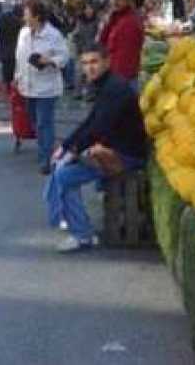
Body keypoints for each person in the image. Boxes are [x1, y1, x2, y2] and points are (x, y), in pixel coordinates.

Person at [45, 46, 149, 252]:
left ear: (107, 62)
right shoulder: (107, 86)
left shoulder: (115, 89)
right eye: (85, 63)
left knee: (65, 175)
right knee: (60, 168)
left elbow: (99, 126)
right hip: (114, 148)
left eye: (94, 62)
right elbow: (91, 122)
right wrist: (66, 146)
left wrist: (73, 150)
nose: (89, 68)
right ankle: (69, 220)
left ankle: (81, 233)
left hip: (125, 155)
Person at [15, 0, 69, 175]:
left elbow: (65, 57)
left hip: (47, 87)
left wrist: (49, 60)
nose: (24, 16)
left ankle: (47, 158)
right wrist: (17, 76)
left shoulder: (53, 35)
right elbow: (20, 58)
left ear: (36, 16)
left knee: (44, 122)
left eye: (26, 13)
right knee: (34, 122)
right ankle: (44, 150)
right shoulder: (23, 33)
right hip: (28, 85)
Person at [98, 0, 145, 89]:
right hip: (114, 72)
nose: (115, 1)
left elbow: (127, 55)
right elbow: (102, 40)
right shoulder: (116, 17)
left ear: (129, 0)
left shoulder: (131, 21)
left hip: (123, 77)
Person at [72, 3, 101, 100]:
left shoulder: (97, 21)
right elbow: (75, 35)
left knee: (91, 72)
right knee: (79, 72)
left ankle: (90, 93)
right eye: (87, 9)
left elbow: (100, 35)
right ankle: (77, 92)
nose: (89, 11)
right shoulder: (80, 21)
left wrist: (96, 46)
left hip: (93, 50)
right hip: (81, 50)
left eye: (91, 9)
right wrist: (79, 46)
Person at [0, 1, 23, 90]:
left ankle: (8, 85)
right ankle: (15, 84)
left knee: (6, 66)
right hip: (15, 46)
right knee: (15, 66)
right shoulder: (17, 20)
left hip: (3, 47)